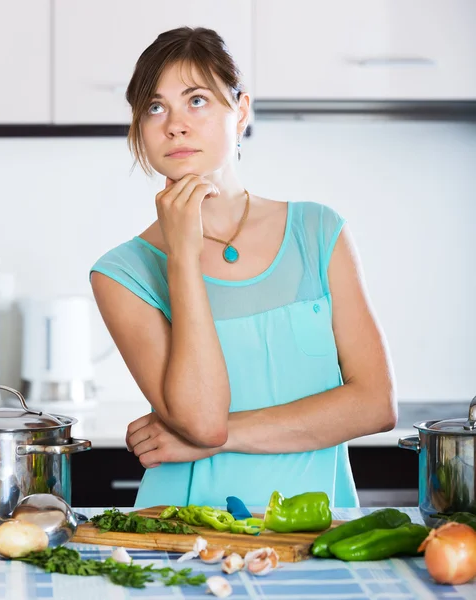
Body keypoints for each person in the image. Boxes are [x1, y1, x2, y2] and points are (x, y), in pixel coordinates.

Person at [89, 26, 397, 509]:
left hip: (320, 533)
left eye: (196, 100)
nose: (174, 124)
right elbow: (202, 419)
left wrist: (213, 440)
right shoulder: (120, 273)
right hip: (184, 537)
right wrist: (183, 256)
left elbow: (376, 405)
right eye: (154, 107)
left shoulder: (319, 232)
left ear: (242, 111)